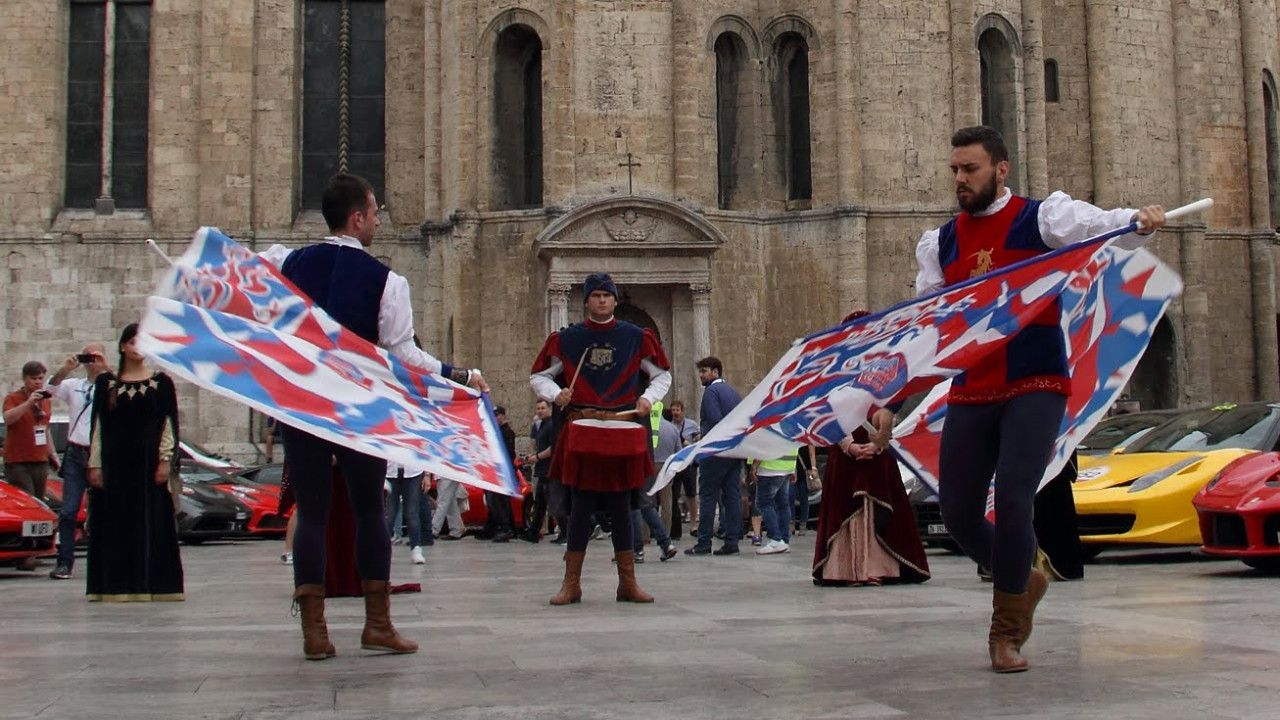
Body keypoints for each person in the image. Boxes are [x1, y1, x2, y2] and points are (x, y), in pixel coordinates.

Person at [915, 125, 1166, 672]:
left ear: (1000, 170)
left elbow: (1102, 229)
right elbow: (928, 325)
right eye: (954, 169)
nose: (959, 179)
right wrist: (892, 390)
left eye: (970, 169)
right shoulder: (941, 243)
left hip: (1036, 381)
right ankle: (1024, 576)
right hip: (973, 386)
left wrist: (1136, 221)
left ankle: (1005, 631)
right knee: (956, 511)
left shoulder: (1041, 219)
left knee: (1012, 497)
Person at [261, 173, 488, 659]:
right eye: (375, 211)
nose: (379, 220)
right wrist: (460, 375)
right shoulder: (387, 281)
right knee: (368, 511)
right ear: (357, 217)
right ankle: (377, 624)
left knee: (314, 513)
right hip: (359, 410)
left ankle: (315, 633)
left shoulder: (286, 263)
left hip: (302, 407)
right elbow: (405, 355)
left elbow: (250, 285)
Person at [531, 272, 672, 605]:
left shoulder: (637, 336)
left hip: (622, 429)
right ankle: (572, 583)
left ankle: (627, 583)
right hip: (582, 427)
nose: (601, 300)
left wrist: (648, 399)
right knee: (580, 506)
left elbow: (661, 376)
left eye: (606, 295)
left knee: (623, 506)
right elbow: (539, 376)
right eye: (595, 295)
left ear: (614, 300)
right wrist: (556, 393)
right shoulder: (565, 338)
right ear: (587, 301)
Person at [84, 324, 184, 601]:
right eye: (132, 342)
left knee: (150, 521)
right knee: (115, 524)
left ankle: (153, 585)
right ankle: (114, 586)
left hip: (147, 465)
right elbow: (99, 426)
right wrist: (95, 464)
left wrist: (165, 462)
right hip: (115, 465)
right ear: (123, 347)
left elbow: (168, 426)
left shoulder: (161, 383)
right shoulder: (107, 384)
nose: (137, 347)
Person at [812, 403, 929, 586]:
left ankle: (878, 568)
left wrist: (879, 442)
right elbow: (830, 412)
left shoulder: (883, 379)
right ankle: (846, 569)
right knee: (846, 508)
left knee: (877, 509)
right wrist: (848, 445)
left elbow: (888, 408)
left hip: (877, 453)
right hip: (844, 457)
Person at [46, 344, 110, 580]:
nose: (92, 361)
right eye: (88, 356)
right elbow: (49, 389)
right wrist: (65, 369)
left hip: (100, 454)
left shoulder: (109, 385)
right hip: (75, 452)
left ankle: (105, 562)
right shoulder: (74, 386)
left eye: (96, 356)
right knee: (69, 510)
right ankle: (64, 563)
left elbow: (124, 390)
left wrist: (107, 368)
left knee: (104, 509)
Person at [686, 357, 743, 556]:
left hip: (716, 450)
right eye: (700, 371)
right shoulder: (733, 393)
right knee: (732, 495)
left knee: (708, 495)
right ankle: (732, 541)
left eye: (704, 371)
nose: (701, 375)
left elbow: (715, 420)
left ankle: (704, 542)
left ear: (715, 372)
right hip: (735, 450)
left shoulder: (711, 392)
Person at [631, 414, 680, 563]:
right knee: (653, 505)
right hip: (655, 465)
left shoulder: (632, 423)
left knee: (631, 507)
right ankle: (666, 543)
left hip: (633, 465)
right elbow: (678, 449)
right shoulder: (670, 427)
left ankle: (637, 549)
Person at [521, 399, 557, 543]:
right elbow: (537, 444)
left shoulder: (552, 425)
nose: (540, 410)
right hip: (542, 469)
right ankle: (534, 532)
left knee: (553, 502)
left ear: (549, 409)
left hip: (550, 469)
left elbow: (552, 449)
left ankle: (565, 532)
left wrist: (536, 457)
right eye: (538, 408)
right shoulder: (540, 425)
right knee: (540, 502)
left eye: (543, 408)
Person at [479, 406, 517, 543]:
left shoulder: (507, 432)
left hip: (502, 473)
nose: (494, 418)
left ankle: (506, 528)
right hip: (494, 471)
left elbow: (507, 454)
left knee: (499, 501)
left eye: (496, 415)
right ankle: (494, 526)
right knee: (493, 501)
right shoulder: (496, 432)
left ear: (502, 416)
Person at [751, 448, 798, 555]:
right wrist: (794, 467)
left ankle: (775, 539)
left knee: (763, 503)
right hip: (788, 464)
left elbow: (766, 442)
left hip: (770, 466)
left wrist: (755, 465)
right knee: (783, 504)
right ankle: (784, 541)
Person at [385, 460, 428, 564]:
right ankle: (383, 549)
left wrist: (427, 474)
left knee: (412, 512)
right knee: (389, 514)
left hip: (413, 470)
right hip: (389, 471)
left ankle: (416, 548)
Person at [431, 472, 467, 540]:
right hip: (449, 473)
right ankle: (456, 529)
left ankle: (433, 530)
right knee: (450, 502)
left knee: (442, 501)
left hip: (445, 473)